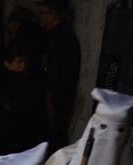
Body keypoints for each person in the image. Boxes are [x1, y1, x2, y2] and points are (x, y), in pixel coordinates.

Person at [0, 39, 48, 153]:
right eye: (18, 62)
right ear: (7, 63)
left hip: (26, 136)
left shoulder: (29, 80)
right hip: (7, 136)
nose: (22, 66)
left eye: (24, 62)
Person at [35, 0, 80, 150]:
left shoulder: (64, 39)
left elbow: (60, 79)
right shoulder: (50, 36)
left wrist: (51, 105)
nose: (39, 17)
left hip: (55, 107)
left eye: (43, 13)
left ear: (54, 14)